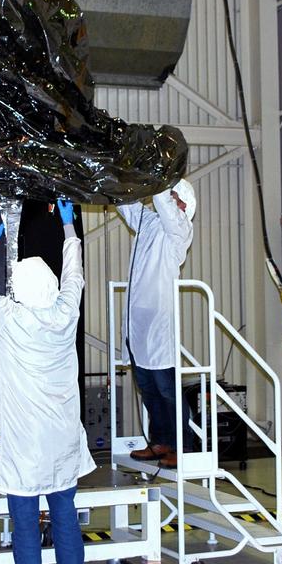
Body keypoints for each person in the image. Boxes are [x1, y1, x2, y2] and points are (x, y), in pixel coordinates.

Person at [0, 199, 94, 564]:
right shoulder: (66, 312)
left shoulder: (8, 318)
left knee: (24, 523)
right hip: (62, 439)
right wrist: (70, 229)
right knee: (65, 518)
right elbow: (75, 272)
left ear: (18, 289)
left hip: (25, 443)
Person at [117, 180, 195, 469]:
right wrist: (116, 177)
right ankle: (160, 441)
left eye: (176, 197)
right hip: (138, 323)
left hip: (159, 323)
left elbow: (164, 205)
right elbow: (126, 204)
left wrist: (159, 178)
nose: (169, 200)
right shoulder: (149, 224)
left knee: (167, 389)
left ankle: (183, 446)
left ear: (184, 206)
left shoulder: (180, 230)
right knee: (148, 387)